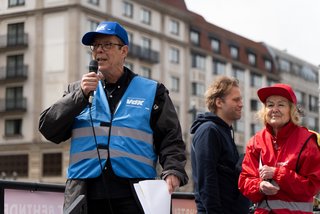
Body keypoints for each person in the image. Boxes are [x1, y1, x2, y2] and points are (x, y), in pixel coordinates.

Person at [38, 21, 188, 213]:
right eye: (96, 46)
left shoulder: (152, 91)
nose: (99, 50)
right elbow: (48, 129)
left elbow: (171, 138)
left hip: (134, 196)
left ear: (124, 51)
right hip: (85, 196)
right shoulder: (78, 91)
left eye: (107, 45)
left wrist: (173, 170)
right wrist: (80, 96)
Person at [238, 83, 320, 214]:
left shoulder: (307, 141)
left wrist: (278, 174)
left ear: (291, 110)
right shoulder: (255, 142)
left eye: (281, 104)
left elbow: (313, 186)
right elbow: (244, 181)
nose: (274, 109)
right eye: (270, 105)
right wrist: (259, 186)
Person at [190, 76, 250, 214]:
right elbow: (206, 180)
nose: (241, 104)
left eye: (241, 99)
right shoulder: (209, 130)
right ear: (219, 102)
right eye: (236, 99)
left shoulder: (224, 131)